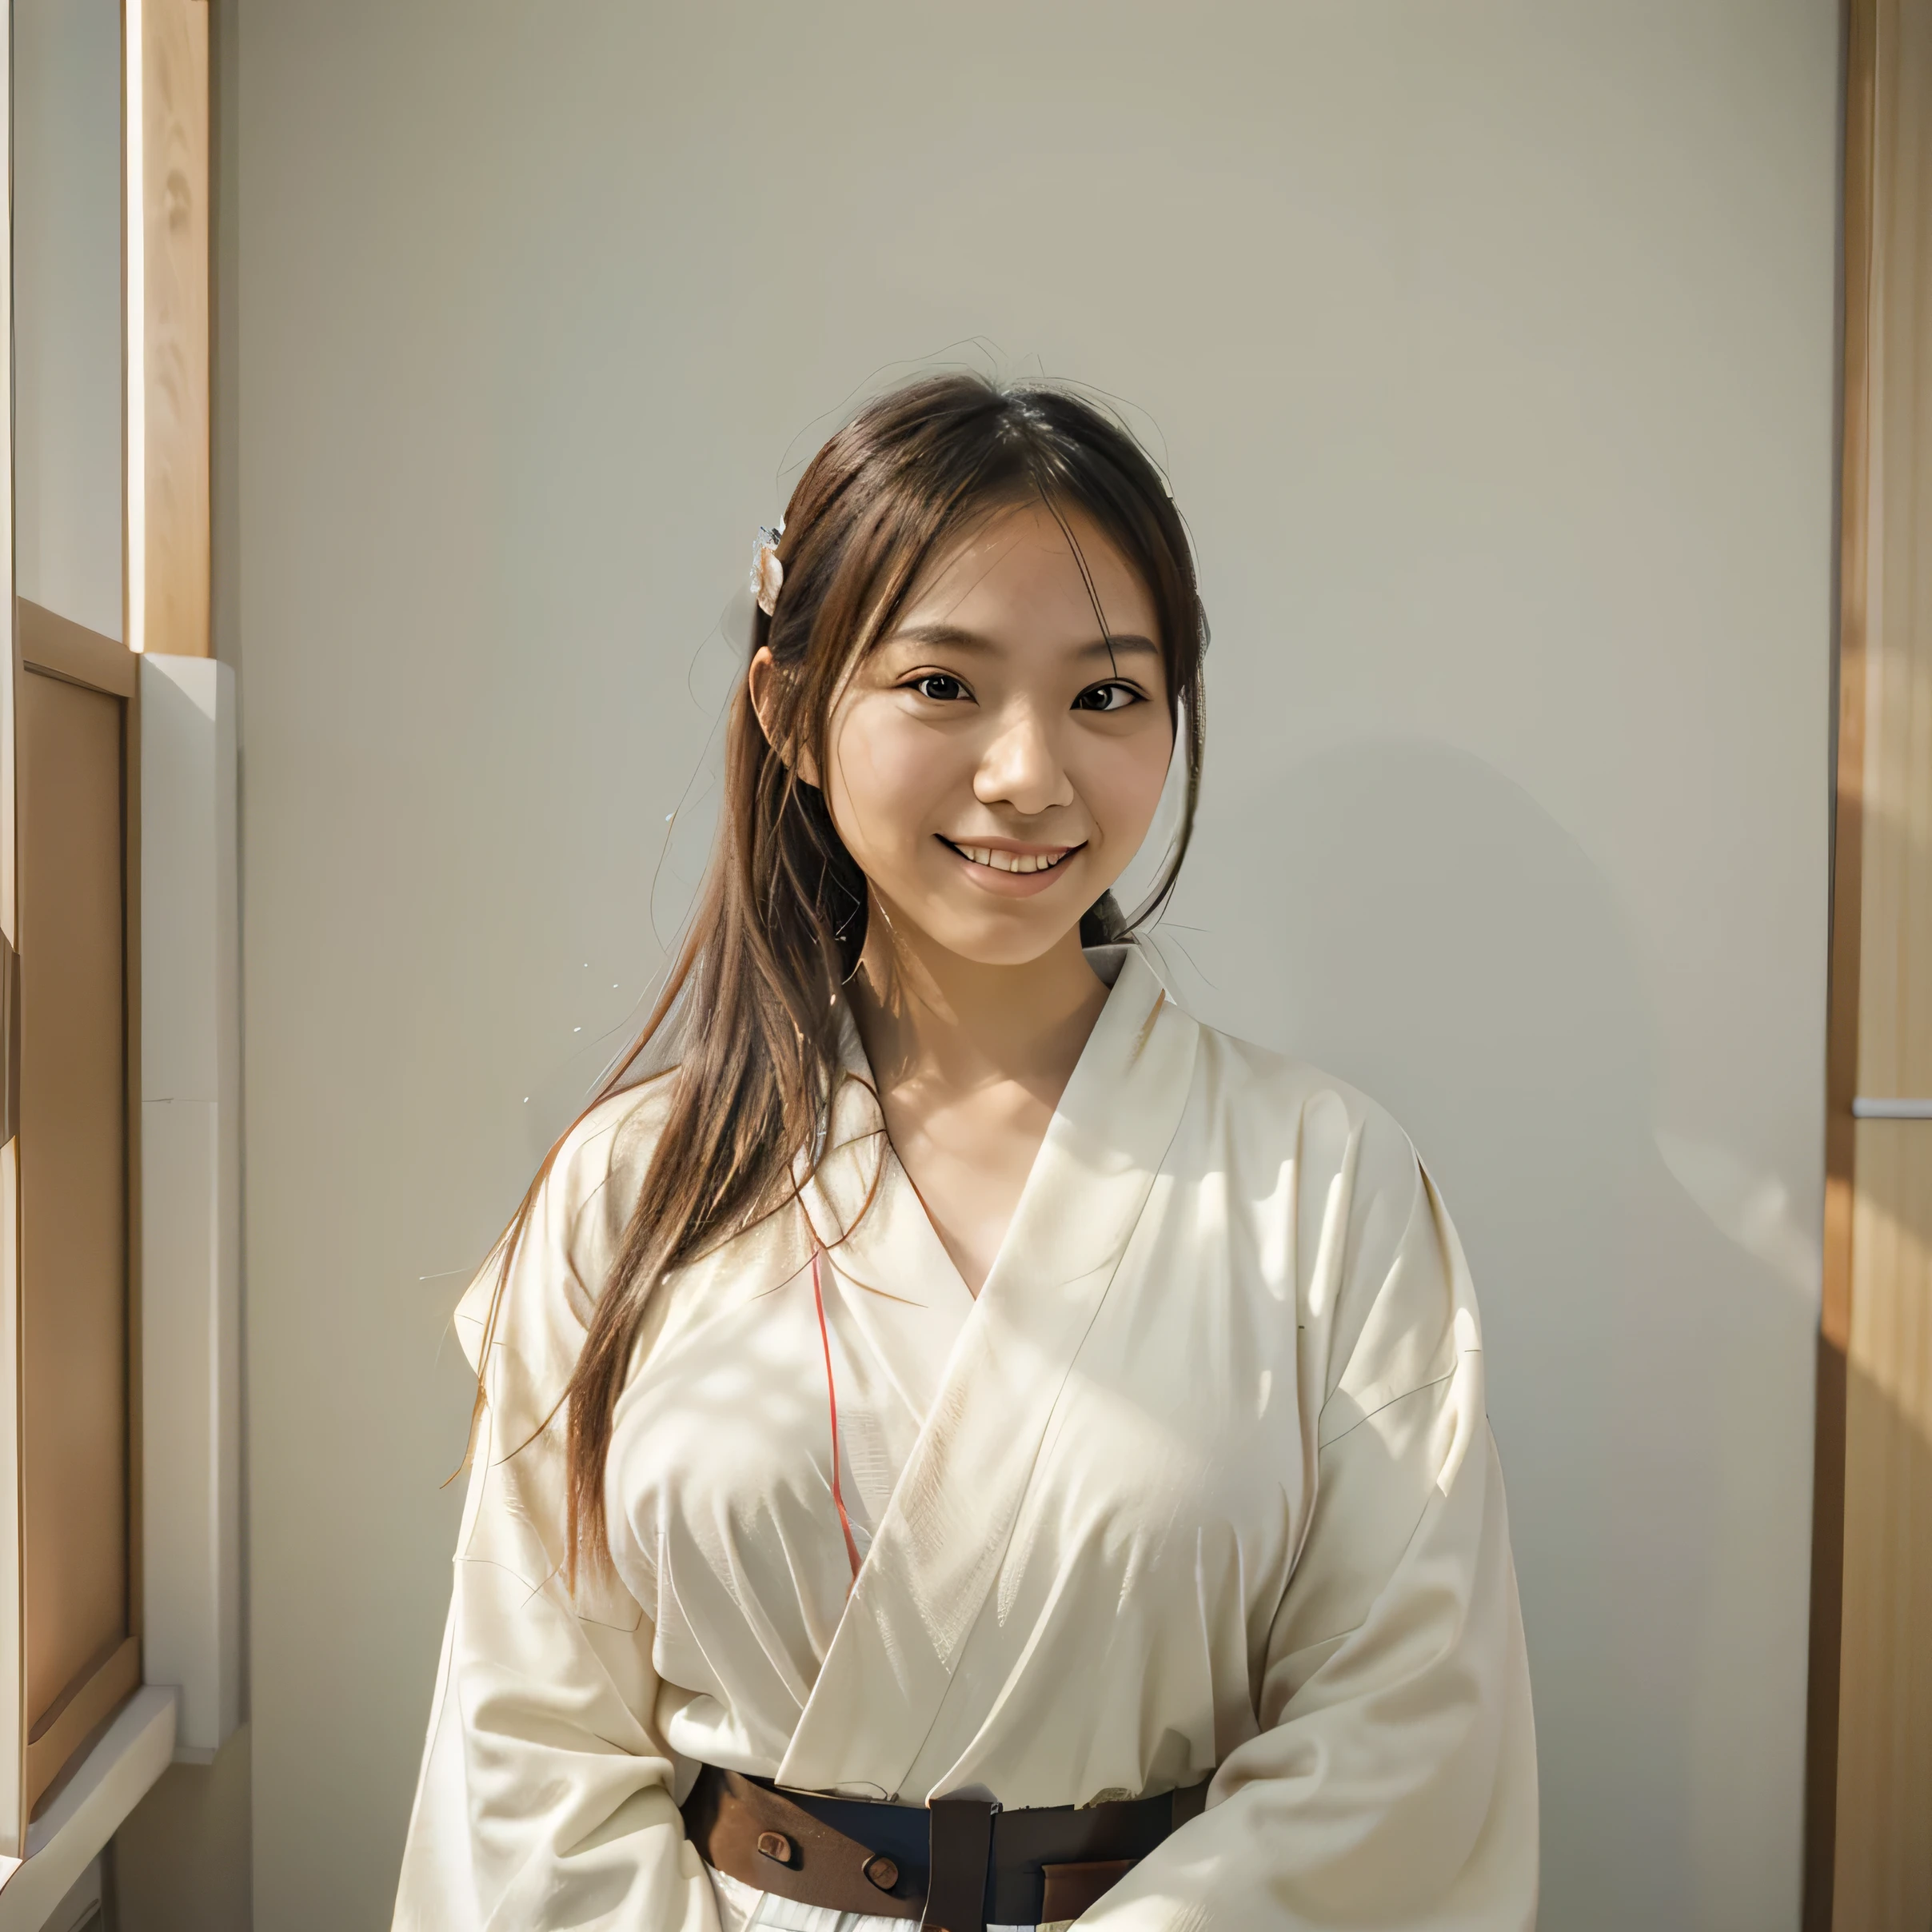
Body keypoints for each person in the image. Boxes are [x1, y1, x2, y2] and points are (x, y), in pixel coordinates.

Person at [393, 374, 1538, 1932]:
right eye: (942, 684)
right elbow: (520, 1749)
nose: (1027, 772)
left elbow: (1407, 1734)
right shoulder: (628, 1191)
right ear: (791, 711)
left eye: (1106, 693)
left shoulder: (1320, 1182)